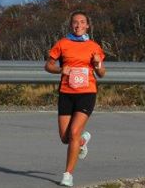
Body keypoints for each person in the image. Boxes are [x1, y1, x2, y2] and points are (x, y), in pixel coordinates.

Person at [44, 11, 106, 187]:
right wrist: (60, 70)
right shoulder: (62, 44)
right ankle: (83, 140)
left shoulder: (94, 46)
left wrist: (97, 64)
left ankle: (68, 175)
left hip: (87, 93)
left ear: (87, 25)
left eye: (82, 22)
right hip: (66, 93)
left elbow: (102, 74)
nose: (78, 25)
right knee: (65, 138)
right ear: (71, 25)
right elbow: (48, 65)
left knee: (73, 133)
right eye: (75, 23)